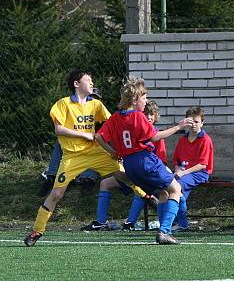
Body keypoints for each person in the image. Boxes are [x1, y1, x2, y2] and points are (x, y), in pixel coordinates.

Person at [23, 69, 138, 246]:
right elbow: (58, 129)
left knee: (123, 175)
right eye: (88, 80)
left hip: (96, 152)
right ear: (77, 84)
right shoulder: (63, 104)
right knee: (57, 194)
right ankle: (37, 231)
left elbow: (112, 123)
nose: (92, 83)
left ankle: (149, 196)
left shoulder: (96, 105)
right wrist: (83, 135)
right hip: (72, 156)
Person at [94, 77, 193, 244]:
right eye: (144, 98)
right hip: (145, 160)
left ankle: (163, 229)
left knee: (163, 192)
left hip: (129, 165)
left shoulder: (115, 117)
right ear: (135, 100)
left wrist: (113, 152)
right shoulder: (138, 116)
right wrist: (178, 127)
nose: (146, 101)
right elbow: (155, 137)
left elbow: (98, 136)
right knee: (176, 189)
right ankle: (165, 232)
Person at [81, 100, 165, 232]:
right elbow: (104, 139)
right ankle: (100, 221)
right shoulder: (133, 130)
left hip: (148, 173)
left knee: (141, 188)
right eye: (146, 114)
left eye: (152, 114)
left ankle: (130, 223)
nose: (148, 117)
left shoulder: (157, 135)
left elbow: (161, 160)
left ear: (156, 117)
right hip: (130, 170)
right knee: (105, 183)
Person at [38, 88, 103, 197]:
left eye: (95, 99)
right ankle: (52, 177)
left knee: (95, 147)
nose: (91, 101)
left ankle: (87, 180)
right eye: (89, 98)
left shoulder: (102, 116)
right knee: (60, 141)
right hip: (74, 150)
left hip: (92, 150)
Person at [172, 106, 214, 231]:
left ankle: (182, 223)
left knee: (177, 186)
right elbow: (177, 161)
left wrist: (183, 173)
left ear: (202, 122)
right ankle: (173, 221)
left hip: (199, 173)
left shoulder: (205, 140)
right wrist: (177, 170)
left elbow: (203, 164)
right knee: (169, 185)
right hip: (184, 173)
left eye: (196, 122)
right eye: (191, 122)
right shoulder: (182, 140)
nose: (193, 125)